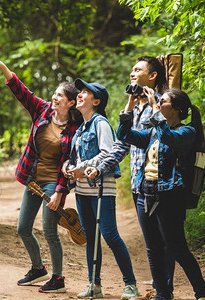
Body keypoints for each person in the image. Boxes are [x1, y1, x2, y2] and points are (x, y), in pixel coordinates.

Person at [0, 48, 82, 293]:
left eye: (59, 96)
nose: (54, 98)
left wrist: (60, 193)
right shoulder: (42, 110)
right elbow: (21, 91)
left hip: (53, 184)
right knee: (23, 228)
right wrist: (3, 67)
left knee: (50, 230)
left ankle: (58, 278)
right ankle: (38, 269)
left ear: (70, 103)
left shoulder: (74, 130)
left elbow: (69, 163)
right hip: (33, 180)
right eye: (54, 94)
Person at [84, 56, 176, 297]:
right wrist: (101, 167)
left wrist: (154, 104)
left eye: (138, 69)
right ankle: (160, 290)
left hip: (160, 183)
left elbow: (167, 136)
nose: (132, 72)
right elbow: (122, 145)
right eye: (132, 69)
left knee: (166, 241)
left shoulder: (164, 103)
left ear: (153, 75)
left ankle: (165, 290)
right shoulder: (135, 107)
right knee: (152, 244)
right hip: (138, 184)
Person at [116, 87, 205, 300]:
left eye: (163, 101)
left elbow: (169, 138)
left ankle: (201, 293)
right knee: (153, 249)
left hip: (169, 196)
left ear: (176, 109)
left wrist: (153, 110)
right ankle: (162, 294)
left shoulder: (186, 132)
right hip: (145, 193)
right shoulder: (152, 132)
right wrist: (129, 107)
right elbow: (124, 134)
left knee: (177, 248)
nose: (158, 103)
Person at [63, 78, 140, 299]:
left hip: (101, 188)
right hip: (82, 190)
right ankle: (94, 285)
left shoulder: (101, 123)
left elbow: (108, 153)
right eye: (80, 91)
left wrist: (82, 167)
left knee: (110, 234)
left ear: (96, 101)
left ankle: (130, 284)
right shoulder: (80, 129)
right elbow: (75, 157)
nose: (79, 94)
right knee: (91, 237)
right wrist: (69, 167)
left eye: (85, 92)